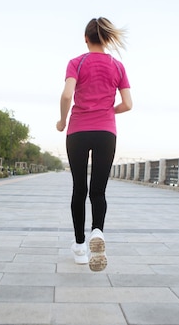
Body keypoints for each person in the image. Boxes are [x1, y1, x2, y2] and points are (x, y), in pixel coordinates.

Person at [56, 17, 133, 272]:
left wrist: (61, 120)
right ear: (107, 38)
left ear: (86, 38)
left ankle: (79, 247)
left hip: (77, 131)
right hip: (106, 132)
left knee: (79, 189)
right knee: (98, 191)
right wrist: (108, 110)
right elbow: (128, 104)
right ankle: (97, 232)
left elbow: (67, 94)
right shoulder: (118, 66)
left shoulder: (76, 62)